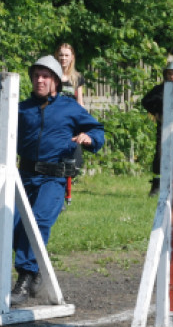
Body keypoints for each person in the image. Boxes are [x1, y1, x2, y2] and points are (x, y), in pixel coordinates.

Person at [12, 55, 105, 304]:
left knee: (39, 222)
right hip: (23, 176)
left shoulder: (69, 107)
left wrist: (89, 138)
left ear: (55, 81)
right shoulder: (20, 108)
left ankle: (25, 277)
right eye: (36, 76)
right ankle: (35, 268)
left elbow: (98, 130)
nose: (39, 80)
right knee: (11, 226)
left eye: (45, 76)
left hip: (53, 179)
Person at [141, 59, 173, 196]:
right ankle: (156, 185)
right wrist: (156, 113)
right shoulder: (160, 89)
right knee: (160, 154)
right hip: (164, 126)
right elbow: (146, 101)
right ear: (166, 75)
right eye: (170, 74)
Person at [54, 43, 86, 205]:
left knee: (74, 159)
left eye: (66, 55)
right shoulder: (52, 75)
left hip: (72, 123)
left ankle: (68, 190)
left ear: (72, 57)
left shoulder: (77, 78)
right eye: (61, 55)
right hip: (56, 122)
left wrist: (82, 123)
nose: (63, 58)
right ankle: (59, 193)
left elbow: (80, 103)